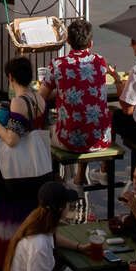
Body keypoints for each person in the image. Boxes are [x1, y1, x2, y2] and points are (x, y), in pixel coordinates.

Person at [0, 57, 52, 271]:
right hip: (37, 170)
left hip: (17, 174)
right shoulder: (39, 98)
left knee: (4, 220)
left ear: (11, 78)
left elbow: (11, 139)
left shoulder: (20, 102)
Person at [44, 19, 113, 163]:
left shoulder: (58, 65)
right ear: (90, 43)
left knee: (46, 126)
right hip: (101, 141)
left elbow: (41, 97)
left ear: (67, 41)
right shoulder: (100, 61)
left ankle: (53, 177)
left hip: (69, 142)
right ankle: (100, 173)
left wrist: (60, 90)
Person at [4, 180, 81, 271]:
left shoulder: (38, 222)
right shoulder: (39, 245)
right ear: (61, 208)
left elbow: (54, 237)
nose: (70, 206)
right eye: (68, 203)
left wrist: (79, 246)